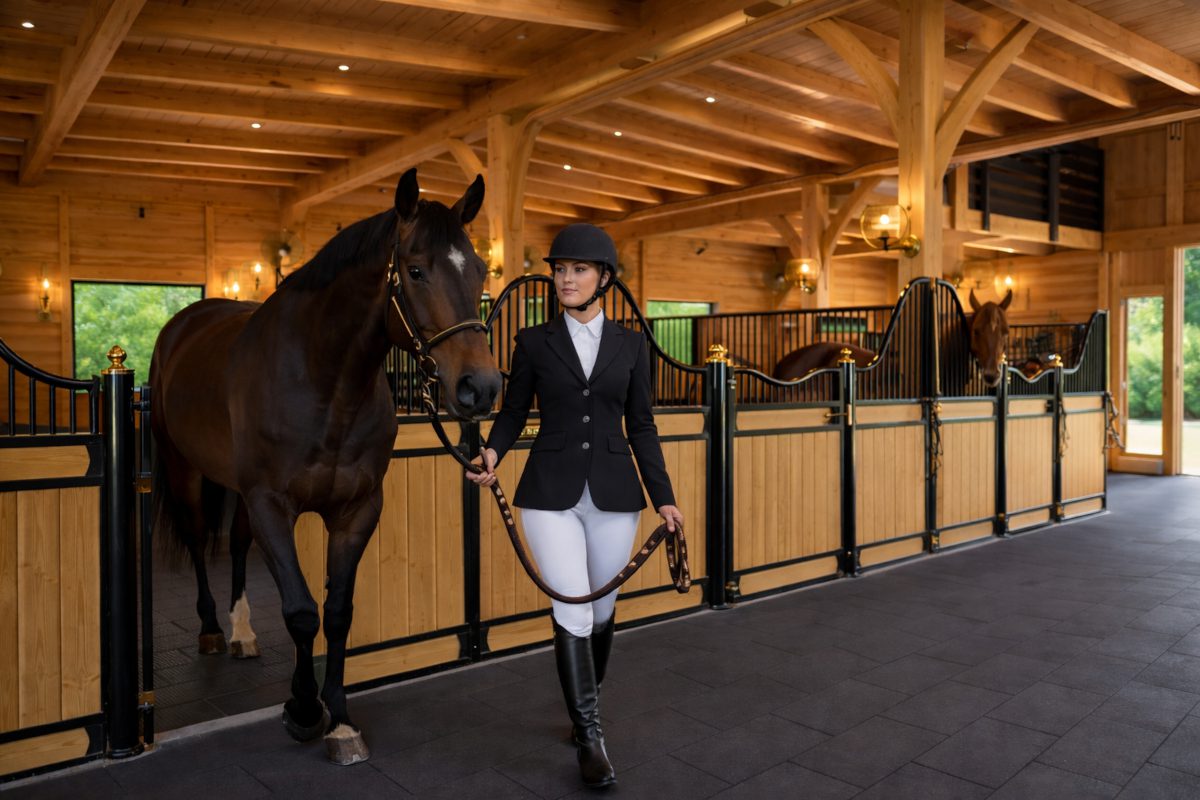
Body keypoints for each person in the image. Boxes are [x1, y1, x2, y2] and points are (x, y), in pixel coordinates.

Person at [466, 223, 683, 789]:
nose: (566, 278)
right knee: (574, 609)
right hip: (549, 495)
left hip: (615, 494)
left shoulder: (631, 345)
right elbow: (513, 412)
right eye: (560, 269)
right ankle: (589, 737)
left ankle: (588, 704)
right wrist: (492, 452)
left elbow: (641, 425)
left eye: (578, 269)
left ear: (603, 278)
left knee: (603, 610)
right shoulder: (533, 342)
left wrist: (664, 499)